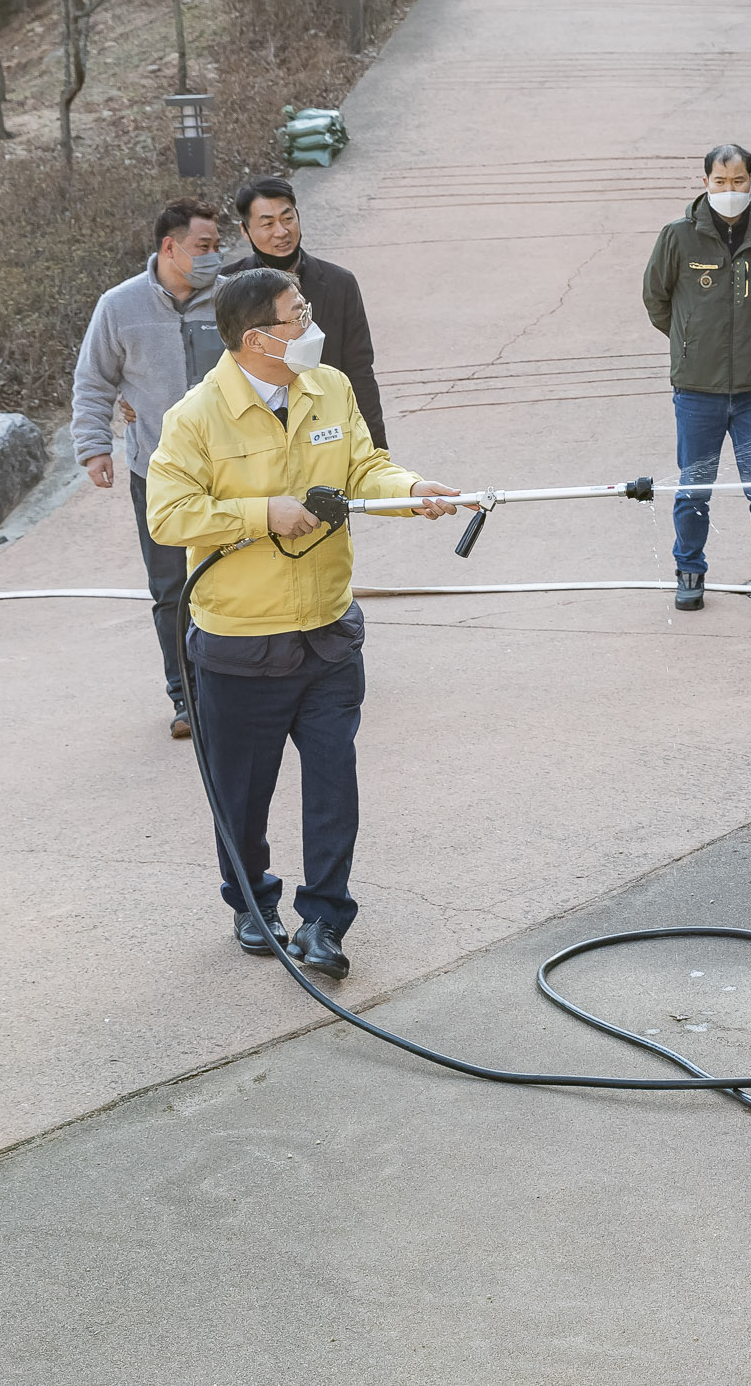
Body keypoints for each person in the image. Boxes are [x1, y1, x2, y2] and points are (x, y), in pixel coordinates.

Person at [147, 269, 468, 973]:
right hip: (241, 645)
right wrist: (264, 514)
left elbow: (363, 468)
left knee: (332, 784)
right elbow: (167, 516)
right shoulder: (196, 418)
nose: (310, 325)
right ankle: (252, 902)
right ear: (258, 338)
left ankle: (325, 918)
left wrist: (412, 491)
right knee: (243, 794)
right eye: (298, 317)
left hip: (326, 630)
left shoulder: (330, 387)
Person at [72, 199, 228, 740]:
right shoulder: (120, 306)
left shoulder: (231, 299)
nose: (213, 257)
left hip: (233, 467)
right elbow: (94, 380)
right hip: (157, 470)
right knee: (172, 587)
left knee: (237, 577)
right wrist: (94, 447)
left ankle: (241, 685)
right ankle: (186, 697)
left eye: (216, 247)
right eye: (203, 247)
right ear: (170, 247)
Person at [641, 142, 751, 620]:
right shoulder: (678, 237)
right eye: (720, 182)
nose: (729, 190)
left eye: (739, 182)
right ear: (705, 182)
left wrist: (746, 341)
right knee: (694, 488)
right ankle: (689, 572)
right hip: (697, 391)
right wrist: (692, 341)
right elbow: (657, 298)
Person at [222, 177, 389, 449]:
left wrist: (376, 446)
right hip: (253, 436)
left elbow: (359, 370)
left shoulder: (339, 283)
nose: (281, 231)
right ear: (244, 230)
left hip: (327, 428)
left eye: (288, 218)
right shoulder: (227, 287)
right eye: (267, 223)